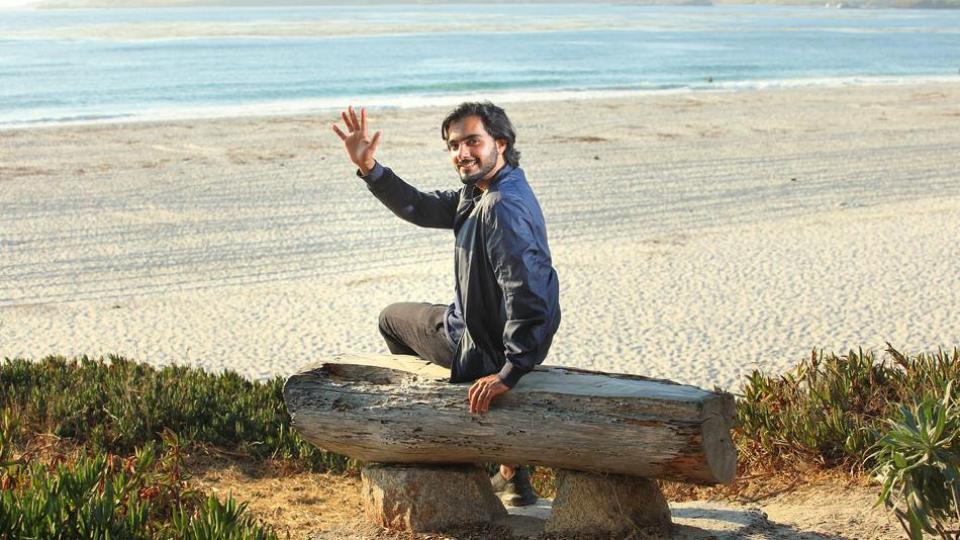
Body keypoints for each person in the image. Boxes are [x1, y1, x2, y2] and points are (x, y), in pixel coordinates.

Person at [332, 102, 560, 507]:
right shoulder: (483, 192)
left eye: (473, 141)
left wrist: (510, 372)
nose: (462, 153)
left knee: (391, 320)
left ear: (500, 143)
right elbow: (418, 207)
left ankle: (449, 435)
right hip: (482, 328)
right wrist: (370, 168)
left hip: (479, 346)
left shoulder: (500, 205)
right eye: (454, 145)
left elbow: (532, 293)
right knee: (413, 314)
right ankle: (510, 472)